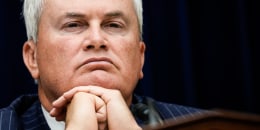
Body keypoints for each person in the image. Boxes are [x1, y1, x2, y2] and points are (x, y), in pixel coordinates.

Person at [0, 0, 207, 129]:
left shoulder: (205, 125)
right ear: (33, 58)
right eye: (73, 25)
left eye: (113, 25)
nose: (97, 39)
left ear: (140, 56)